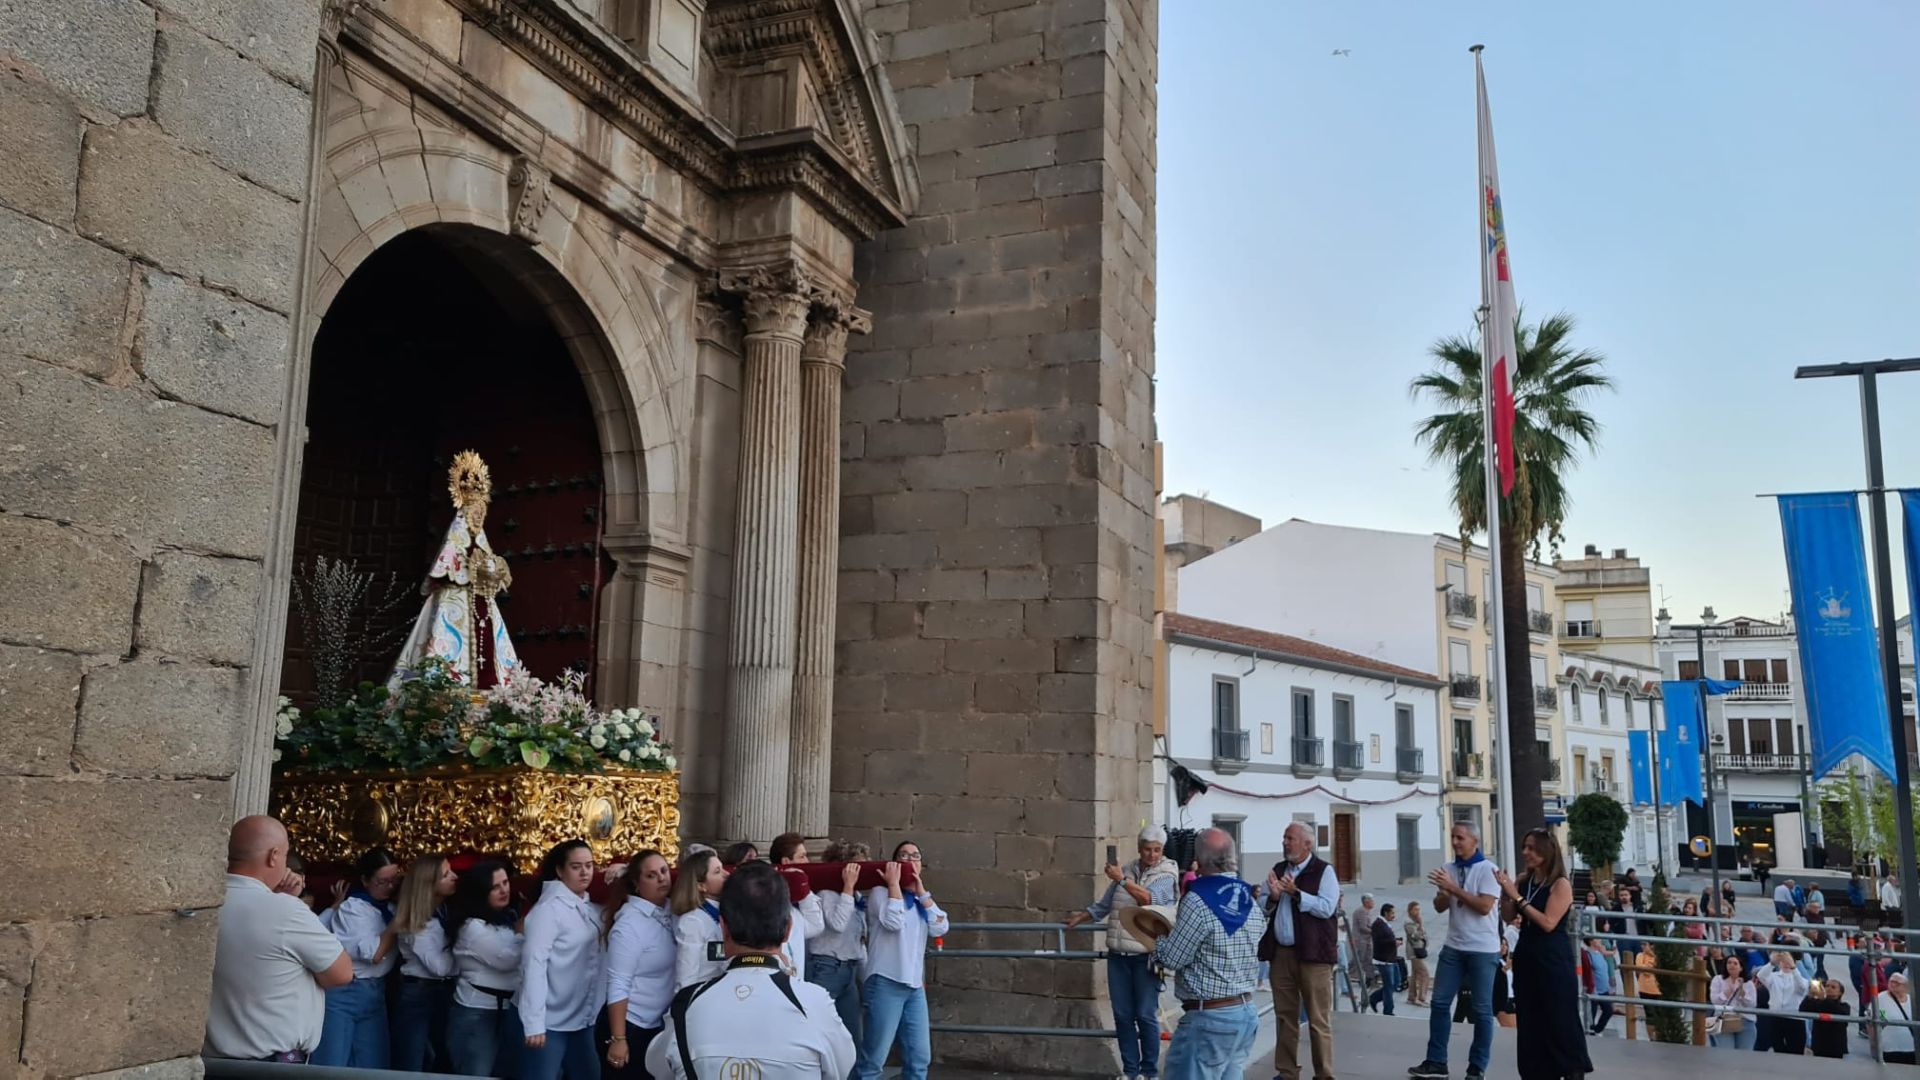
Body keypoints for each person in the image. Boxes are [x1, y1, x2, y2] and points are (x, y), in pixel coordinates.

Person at [646, 860, 855, 1078]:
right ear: (787, 932)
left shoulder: (686, 1005)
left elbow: (658, 1066)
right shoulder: (814, 1003)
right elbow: (840, 1067)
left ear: (723, 928)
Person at [204, 816, 352, 1063]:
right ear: (273, 856)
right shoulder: (287, 911)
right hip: (270, 1064)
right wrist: (288, 902)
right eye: (285, 856)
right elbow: (342, 973)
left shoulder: (205, 903)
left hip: (212, 1060)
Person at [1146, 828, 1265, 1080]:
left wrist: (1156, 937)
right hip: (1244, 1012)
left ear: (1197, 861)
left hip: (1208, 1018)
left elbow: (1173, 959)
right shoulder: (1249, 900)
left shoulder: (1198, 900)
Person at [1067, 824, 1179, 1080]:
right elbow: (1106, 904)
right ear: (1139, 849)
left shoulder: (1166, 873)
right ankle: (1130, 1071)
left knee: (1145, 1014)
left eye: (1157, 850)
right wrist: (1081, 917)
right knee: (1122, 1014)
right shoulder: (1127, 869)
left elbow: (1149, 899)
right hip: (1119, 954)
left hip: (1147, 954)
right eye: (1148, 849)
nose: (1152, 855)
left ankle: (1149, 1071)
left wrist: (1121, 879)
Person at [1493, 828, 1590, 1080]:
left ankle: (1570, 1069)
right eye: (1524, 847)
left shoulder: (1560, 884)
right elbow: (1507, 916)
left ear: (1546, 852)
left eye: (1532, 848)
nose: (1526, 853)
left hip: (1552, 958)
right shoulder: (1525, 881)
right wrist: (1506, 893)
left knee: (1558, 1017)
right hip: (1527, 957)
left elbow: (1548, 922)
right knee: (1530, 1018)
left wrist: (1518, 898)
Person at [1409, 822, 1503, 1080]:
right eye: (1452, 837)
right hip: (1454, 946)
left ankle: (1477, 1066)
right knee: (1439, 1002)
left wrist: (1453, 889)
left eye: (1460, 837)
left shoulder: (1488, 869)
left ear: (1475, 840)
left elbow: (1484, 907)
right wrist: (1442, 892)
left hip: (1482, 949)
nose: (1455, 842)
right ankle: (1436, 1061)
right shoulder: (1449, 869)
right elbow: (1440, 906)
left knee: (1482, 1009)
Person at [854, 840, 948, 1080]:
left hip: (914, 986)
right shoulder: (880, 893)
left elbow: (941, 927)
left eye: (915, 855)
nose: (910, 859)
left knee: (919, 1057)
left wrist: (922, 892)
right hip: (886, 980)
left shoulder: (919, 899)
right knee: (874, 1059)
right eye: (903, 856)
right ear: (894, 863)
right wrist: (894, 885)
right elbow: (893, 923)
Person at [520, 839, 607, 1080]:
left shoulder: (589, 906)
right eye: (576, 866)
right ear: (560, 871)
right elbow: (534, 964)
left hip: (583, 1018)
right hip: (550, 1021)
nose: (585, 872)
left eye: (589, 865)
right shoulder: (548, 911)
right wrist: (535, 1022)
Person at [1260, 821, 1339, 1080]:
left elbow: (1327, 908)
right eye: (1284, 837)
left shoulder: (1324, 871)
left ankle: (1324, 1075)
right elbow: (1261, 905)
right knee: (1285, 1016)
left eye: (1290, 838)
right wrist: (1272, 897)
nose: (1285, 842)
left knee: (1318, 1019)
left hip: (1314, 955)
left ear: (1307, 844)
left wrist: (1296, 894)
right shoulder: (1278, 869)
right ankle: (1287, 1072)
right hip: (1281, 953)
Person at [314, 847, 400, 1067]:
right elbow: (373, 954)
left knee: (373, 1065)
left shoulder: (390, 907)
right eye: (383, 881)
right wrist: (397, 924)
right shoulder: (353, 908)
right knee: (331, 1064)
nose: (390, 886)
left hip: (376, 992)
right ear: (365, 880)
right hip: (345, 992)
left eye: (394, 880)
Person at [447, 860, 525, 1079]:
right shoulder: (471, 926)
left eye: (506, 882)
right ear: (480, 892)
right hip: (477, 1014)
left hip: (506, 1010)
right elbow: (507, 960)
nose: (504, 890)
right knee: (477, 1074)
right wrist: (522, 934)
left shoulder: (505, 916)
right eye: (495, 887)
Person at [602, 849, 675, 1077]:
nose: (662, 878)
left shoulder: (671, 909)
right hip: (630, 1025)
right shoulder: (629, 925)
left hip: (658, 1024)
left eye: (664, 871)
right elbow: (618, 984)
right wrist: (619, 1039)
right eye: (652, 875)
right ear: (636, 884)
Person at [388, 853, 458, 1073]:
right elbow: (439, 967)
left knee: (443, 1060)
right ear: (429, 884)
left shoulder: (443, 911)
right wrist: (464, 950)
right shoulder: (414, 922)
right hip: (418, 993)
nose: (455, 877)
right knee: (412, 1062)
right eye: (446, 875)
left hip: (442, 992)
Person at [810, 840, 871, 1043]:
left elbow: (858, 937)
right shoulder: (826, 893)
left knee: (853, 1035)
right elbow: (838, 924)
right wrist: (847, 888)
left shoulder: (855, 896)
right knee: (816, 1026)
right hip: (826, 966)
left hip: (848, 969)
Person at [770, 832, 827, 977]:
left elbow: (816, 926)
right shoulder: (767, 903)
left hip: (796, 984)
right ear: (786, 862)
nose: (807, 862)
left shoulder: (795, 911)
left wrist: (803, 890)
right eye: (802, 856)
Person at [671, 848, 728, 990]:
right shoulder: (693, 921)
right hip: (701, 998)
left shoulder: (724, 912)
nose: (726, 874)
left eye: (723, 869)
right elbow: (685, 979)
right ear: (701, 886)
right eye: (717, 872)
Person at [1754, 949, 1809, 1055]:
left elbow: (1802, 987)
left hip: (1794, 1018)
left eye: (1788, 961)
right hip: (1775, 1017)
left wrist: (1793, 967)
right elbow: (1761, 975)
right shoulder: (1774, 977)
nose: (1785, 964)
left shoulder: (1801, 979)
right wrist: (1772, 963)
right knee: (1778, 1048)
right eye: (1783, 961)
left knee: (1795, 1050)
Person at [1706, 954, 1756, 1050]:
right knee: (1726, 1053)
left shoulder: (1748, 983)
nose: (1731, 965)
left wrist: (1741, 991)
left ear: (1741, 968)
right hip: (1724, 1020)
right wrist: (1728, 991)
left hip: (1745, 1021)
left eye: (1735, 963)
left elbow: (1752, 1004)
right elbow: (1714, 1001)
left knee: (1744, 1054)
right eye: (1729, 963)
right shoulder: (1718, 980)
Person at [1803, 977, 1849, 1059]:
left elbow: (1837, 1011)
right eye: (1827, 986)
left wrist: (1823, 999)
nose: (1829, 988)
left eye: (1833, 987)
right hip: (1819, 1045)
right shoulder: (1818, 1003)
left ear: (1840, 993)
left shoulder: (1844, 1006)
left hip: (1836, 1047)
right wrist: (1810, 995)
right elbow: (1803, 1009)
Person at [1370, 903, 1403, 1017]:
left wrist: (1394, 941)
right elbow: (1379, 942)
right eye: (1392, 913)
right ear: (1386, 913)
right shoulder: (1378, 924)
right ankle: (1388, 1010)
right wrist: (1394, 942)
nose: (1394, 915)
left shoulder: (1385, 924)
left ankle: (1374, 998)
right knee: (1389, 986)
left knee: (1396, 983)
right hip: (1383, 960)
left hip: (1391, 958)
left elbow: (1386, 939)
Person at [1876, 971, 1916, 1064]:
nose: (1893, 985)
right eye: (1891, 981)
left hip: (1911, 1047)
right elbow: (1881, 1019)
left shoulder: (1912, 1000)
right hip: (1890, 1048)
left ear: (1905, 986)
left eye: (1897, 983)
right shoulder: (1881, 999)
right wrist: (1874, 1043)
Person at [1583, 938, 1615, 1037]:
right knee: (1591, 1014)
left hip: (1604, 989)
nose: (1600, 940)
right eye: (1597, 938)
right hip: (1594, 990)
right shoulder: (1587, 954)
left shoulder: (1600, 953)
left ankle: (1596, 1030)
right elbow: (1588, 973)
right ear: (1591, 941)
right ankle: (1590, 1033)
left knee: (1608, 1011)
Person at [1352, 894, 1379, 1006]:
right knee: (1359, 960)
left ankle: (1370, 979)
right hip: (1361, 940)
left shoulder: (1367, 911)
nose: (1373, 903)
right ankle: (1357, 977)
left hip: (1367, 940)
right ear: (1366, 902)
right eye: (1372, 901)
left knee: (1368, 959)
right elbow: (1363, 928)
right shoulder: (1361, 911)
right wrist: (1375, 932)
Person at [1405, 902, 1432, 1008]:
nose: (1418, 912)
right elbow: (1415, 936)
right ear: (1410, 910)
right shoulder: (1409, 922)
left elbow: (1423, 934)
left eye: (1419, 909)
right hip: (1414, 952)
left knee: (1415, 974)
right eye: (1415, 909)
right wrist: (1420, 926)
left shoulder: (1415, 921)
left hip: (1418, 950)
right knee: (1425, 974)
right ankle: (1421, 998)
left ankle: (1411, 997)